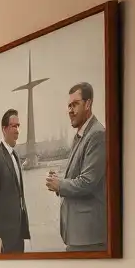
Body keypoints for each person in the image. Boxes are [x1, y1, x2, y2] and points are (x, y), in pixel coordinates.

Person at [44, 82, 106, 251]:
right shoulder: (80, 135)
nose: (70, 110)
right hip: (78, 236)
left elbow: (88, 182)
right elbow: (77, 176)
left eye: (75, 104)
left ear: (88, 104)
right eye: (69, 105)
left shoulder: (97, 135)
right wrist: (60, 180)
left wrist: (60, 185)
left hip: (88, 238)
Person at [0, 108, 29, 253]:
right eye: (13, 126)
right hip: (4, 238)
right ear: (4, 129)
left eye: (18, 126)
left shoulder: (16, 156)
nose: (17, 130)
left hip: (18, 234)